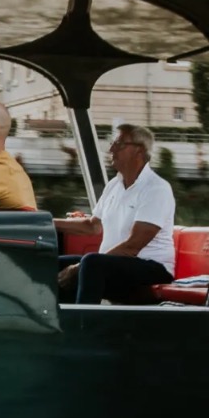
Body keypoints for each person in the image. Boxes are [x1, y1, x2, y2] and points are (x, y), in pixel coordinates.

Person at [54, 124, 175, 304]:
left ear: (139, 151)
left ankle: (84, 327)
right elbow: (93, 226)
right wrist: (45, 222)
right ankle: (59, 325)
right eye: (113, 143)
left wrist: (78, 268)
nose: (111, 149)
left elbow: (132, 247)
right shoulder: (114, 185)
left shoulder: (156, 189)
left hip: (152, 267)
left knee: (90, 264)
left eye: (119, 144)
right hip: (112, 263)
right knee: (55, 263)